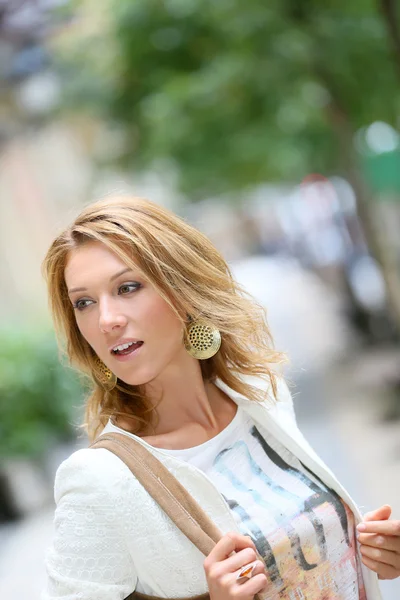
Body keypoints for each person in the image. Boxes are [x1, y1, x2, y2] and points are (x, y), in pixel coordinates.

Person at [41, 196, 399, 600]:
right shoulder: (97, 481)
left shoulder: (261, 397)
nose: (106, 320)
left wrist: (364, 546)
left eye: (128, 287)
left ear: (184, 292)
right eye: (84, 303)